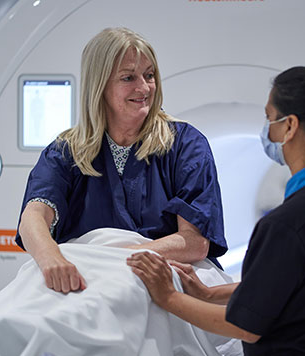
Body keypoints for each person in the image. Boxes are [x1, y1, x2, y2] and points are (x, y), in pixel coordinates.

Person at [127, 66, 305, 355]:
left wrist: (168, 297)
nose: (267, 128)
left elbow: (245, 327)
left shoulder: (286, 224)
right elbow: (286, 288)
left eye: (270, 118)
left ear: (290, 126)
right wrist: (208, 294)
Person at [16, 27, 227, 294]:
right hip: (86, 275)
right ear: (99, 86)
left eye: (149, 75)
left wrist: (116, 259)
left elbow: (195, 242)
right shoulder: (66, 151)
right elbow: (33, 216)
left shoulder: (185, 145)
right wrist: (51, 259)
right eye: (128, 77)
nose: (144, 87)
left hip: (160, 272)